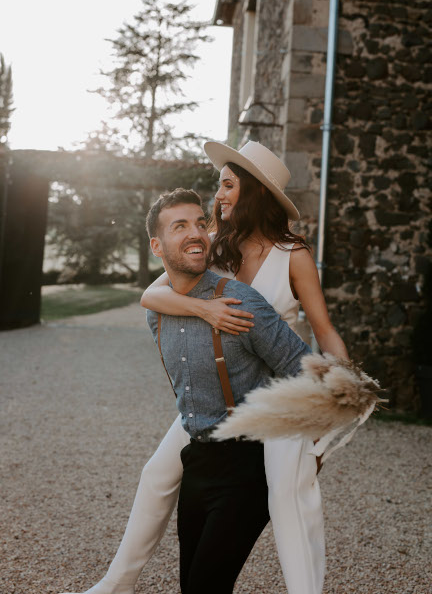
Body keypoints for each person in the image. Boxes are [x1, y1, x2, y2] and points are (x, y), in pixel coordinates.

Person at [61, 140, 348, 594]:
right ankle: (115, 584)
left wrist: (340, 392)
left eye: (229, 185)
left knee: (289, 497)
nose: (220, 196)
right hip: (222, 391)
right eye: (220, 186)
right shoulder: (215, 245)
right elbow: (151, 296)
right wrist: (205, 311)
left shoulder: (292, 256)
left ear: (255, 192)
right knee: (156, 473)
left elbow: (324, 328)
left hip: (278, 398)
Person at [144, 187, 311, 593]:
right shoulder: (157, 313)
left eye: (200, 223)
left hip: (246, 466)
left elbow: (304, 370)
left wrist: (312, 449)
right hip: (196, 461)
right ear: (157, 246)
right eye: (179, 226)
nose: (196, 233)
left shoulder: (241, 303)